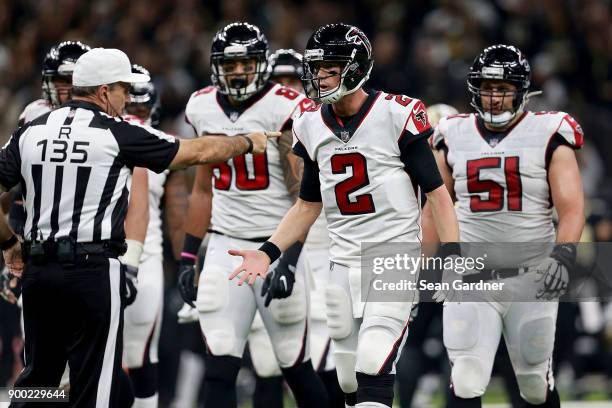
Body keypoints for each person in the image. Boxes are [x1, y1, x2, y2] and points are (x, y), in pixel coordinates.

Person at [0, 47, 279, 408]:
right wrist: (245, 141)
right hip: (91, 272)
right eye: (122, 89)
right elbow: (193, 152)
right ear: (103, 91)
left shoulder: (31, 130)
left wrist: (8, 242)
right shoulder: (117, 132)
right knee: (93, 384)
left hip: (39, 272)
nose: (126, 98)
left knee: (35, 378)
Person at [229, 23, 459, 408]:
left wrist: (451, 254)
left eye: (329, 67)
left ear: (355, 67)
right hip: (342, 263)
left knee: (373, 360)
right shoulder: (310, 124)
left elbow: (437, 194)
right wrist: (268, 252)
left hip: (393, 258)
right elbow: (306, 205)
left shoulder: (395, 113)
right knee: (349, 378)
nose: (319, 76)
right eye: (316, 67)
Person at [176, 22, 329, 408]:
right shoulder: (201, 106)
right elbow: (202, 188)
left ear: (261, 63)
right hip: (225, 245)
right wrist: (189, 256)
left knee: (293, 363)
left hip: (274, 243)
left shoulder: (286, 107)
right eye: (231, 64)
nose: (239, 71)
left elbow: (305, 195)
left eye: (246, 62)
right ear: (216, 67)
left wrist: (289, 260)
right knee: (220, 365)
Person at [426, 44, 585, 408]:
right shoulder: (451, 133)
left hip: (534, 274)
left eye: (503, 89)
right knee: (465, 378)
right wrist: (424, 265)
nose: (494, 98)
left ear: (522, 91)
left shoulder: (549, 132)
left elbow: (572, 207)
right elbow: (435, 206)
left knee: (534, 384)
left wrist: (563, 256)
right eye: (487, 88)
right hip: (470, 273)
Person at [122, 64, 188, 408]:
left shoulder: (160, 144)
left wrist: (187, 263)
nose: (134, 118)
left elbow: (176, 215)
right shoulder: (92, 136)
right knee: (72, 364)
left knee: (140, 356)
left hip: (143, 259)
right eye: (128, 110)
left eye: (141, 112)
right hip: (88, 260)